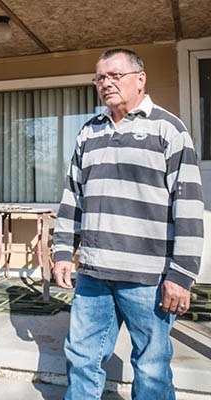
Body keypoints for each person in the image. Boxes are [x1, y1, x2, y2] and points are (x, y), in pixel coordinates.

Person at [52, 48, 204, 400]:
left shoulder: (169, 129)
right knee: (81, 357)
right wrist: (63, 252)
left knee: (151, 367)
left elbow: (189, 207)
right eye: (100, 78)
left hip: (147, 278)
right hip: (93, 274)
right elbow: (72, 195)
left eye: (114, 75)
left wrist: (181, 276)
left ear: (140, 79)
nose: (106, 83)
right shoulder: (88, 133)